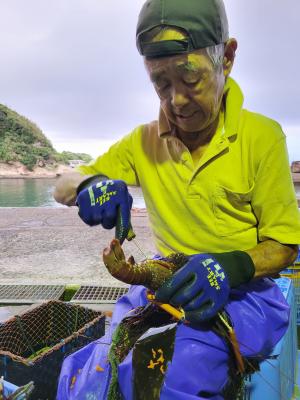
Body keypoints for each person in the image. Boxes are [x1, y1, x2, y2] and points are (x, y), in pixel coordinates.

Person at [55, 0, 300, 398]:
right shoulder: (143, 142)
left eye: (191, 78)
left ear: (228, 58)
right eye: (161, 83)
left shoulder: (263, 137)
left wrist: (229, 266)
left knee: (182, 371)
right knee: (97, 366)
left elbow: (285, 246)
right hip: (165, 283)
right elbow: (62, 182)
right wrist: (88, 185)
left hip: (246, 292)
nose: (177, 100)